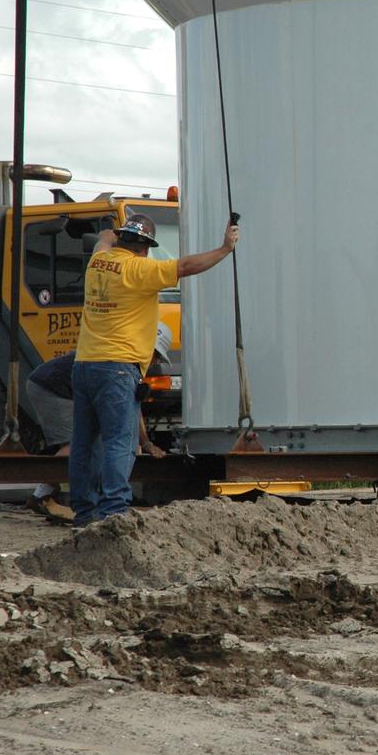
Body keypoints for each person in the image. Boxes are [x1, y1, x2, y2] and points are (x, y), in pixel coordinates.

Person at [69, 214, 239, 526]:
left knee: (84, 443)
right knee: (120, 442)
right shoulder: (139, 269)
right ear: (146, 247)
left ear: (121, 239)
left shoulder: (99, 261)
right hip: (117, 367)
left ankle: (84, 512)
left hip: (84, 365)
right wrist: (224, 248)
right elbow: (186, 266)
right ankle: (113, 513)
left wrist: (109, 232)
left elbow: (104, 238)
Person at [26, 325, 173, 521]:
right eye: (155, 355)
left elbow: (131, 408)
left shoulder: (124, 357)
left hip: (64, 385)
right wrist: (145, 443)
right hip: (50, 389)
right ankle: (40, 494)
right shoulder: (123, 359)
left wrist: (145, 443)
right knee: (76, 446)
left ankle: (84, 501)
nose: (154, 361)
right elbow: (132, 410)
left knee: (91, 445)